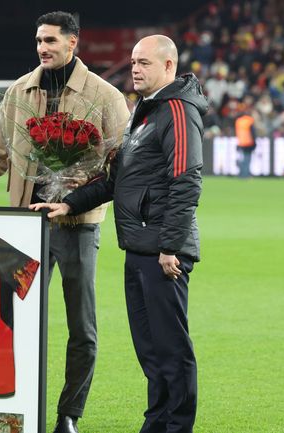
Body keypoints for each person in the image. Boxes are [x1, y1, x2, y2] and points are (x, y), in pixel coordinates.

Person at [0, 11, 130, 433]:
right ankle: (18, 407)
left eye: (51, 41)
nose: (43, 48)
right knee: (12, 322)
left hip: (79, 225)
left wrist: (74, 197)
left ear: (73, 43)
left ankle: (69, 415)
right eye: (39, 41)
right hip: (24, 227)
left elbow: (120, 165)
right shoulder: (19, 92)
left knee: (81, 326)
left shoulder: (106, 96)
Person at [31, 35, 208, 433]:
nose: (135, 69)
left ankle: (176, 426)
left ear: (168, 67)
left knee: (171, 349)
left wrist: (170, 246)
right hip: (139, 247)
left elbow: (187, 180)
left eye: (144, 62)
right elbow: (117, 181)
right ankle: (157, 422)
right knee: (151, 349)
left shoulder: (178, 110)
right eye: (132, 62)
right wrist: (70, 203)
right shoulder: (145, 113)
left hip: (162, 253)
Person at [234, 107, 256, 178]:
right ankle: (245, 174)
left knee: (242, 159)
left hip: (240, 142)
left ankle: (241, 173)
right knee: (247, 159)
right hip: (249, 142)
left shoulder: (238, 121)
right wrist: (254, 142)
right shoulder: (250, 120)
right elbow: (253, 132)